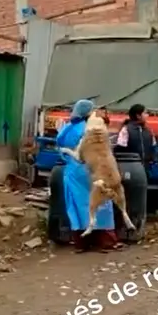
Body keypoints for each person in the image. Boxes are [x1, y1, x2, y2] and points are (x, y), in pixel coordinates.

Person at [55, 99, 121, 252]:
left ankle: (81, 243)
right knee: (102, 202)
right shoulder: (93, 128)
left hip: (74, 172)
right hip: (94, 169)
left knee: (77, 205)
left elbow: (60, 147)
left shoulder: (68, 128)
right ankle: (105, 241)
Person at [115, 103, 156, 168]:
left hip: (147, 167)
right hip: (131, 167)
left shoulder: (149, 130)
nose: (147, 115)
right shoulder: (126, 130)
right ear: (138, 116)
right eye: (145, 113)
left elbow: (153, 147)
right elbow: (120, 148)